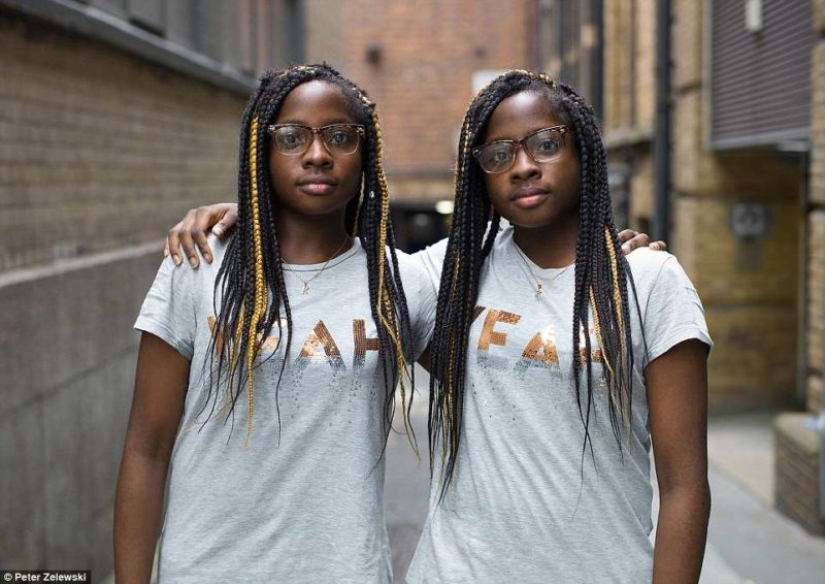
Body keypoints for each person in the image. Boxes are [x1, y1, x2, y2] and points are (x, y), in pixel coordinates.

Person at [114, 63, 436, 584]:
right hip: (205, 569)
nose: (316, 154)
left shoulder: (400, 282)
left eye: (339, 137)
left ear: (365, 155)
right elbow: (146, 448)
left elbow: (506, 361)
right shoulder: (200, 265)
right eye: (290, 137)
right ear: (261, 152)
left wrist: (612, 258)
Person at [407, 70, 712, 583]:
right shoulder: (451, 273)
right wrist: (248, 223)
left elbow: (685, 486)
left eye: (546, 144)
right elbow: (337, 270)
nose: (523, 167)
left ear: (583, 153)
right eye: (498, 154)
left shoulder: (648, 281)